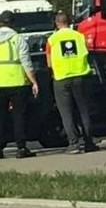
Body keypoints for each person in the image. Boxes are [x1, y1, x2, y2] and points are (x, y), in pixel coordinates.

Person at [45, 11, 97, 153]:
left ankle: (73, 144)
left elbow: (49, 63)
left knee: (66, 113)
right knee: (83, 111)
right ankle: (88, 142)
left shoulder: (51, 40)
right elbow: (87, 52)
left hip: (61, 79)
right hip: (80, 77)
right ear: (69, 22)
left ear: (56, 23)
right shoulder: (80, 36)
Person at [0, 11, 37, 159]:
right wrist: (33, 81)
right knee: (19, 116)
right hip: (18, 83)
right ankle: (21, 148)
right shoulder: (18, 39)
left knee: (0, 117)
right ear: (13, 23)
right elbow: (26, 62)